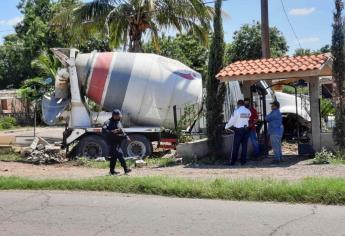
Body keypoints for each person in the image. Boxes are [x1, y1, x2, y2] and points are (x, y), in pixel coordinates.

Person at [102, 109, 132, 175]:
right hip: (112, 143)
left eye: (119, 115)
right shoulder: (108, 122)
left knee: (114, 157)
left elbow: (121, 130)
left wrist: (126, 137)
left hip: (118, 142)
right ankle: (126, 169)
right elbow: (104, 130)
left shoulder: (118, 122)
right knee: (120, 154)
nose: (119, 117)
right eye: (118, 116)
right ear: (114, 116)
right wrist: (112, 131)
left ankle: (112, 171)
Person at [225, 100, 251, 166]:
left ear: (238, 104)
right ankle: (243, 161)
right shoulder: (248, 111)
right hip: (246, 130)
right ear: (243, 104)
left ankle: (232, 162)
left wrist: (226, 126)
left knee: (235, 147)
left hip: (238, 130)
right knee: (244, 146)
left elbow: (232, 121)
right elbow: (248, 118)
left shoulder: (236, 111)